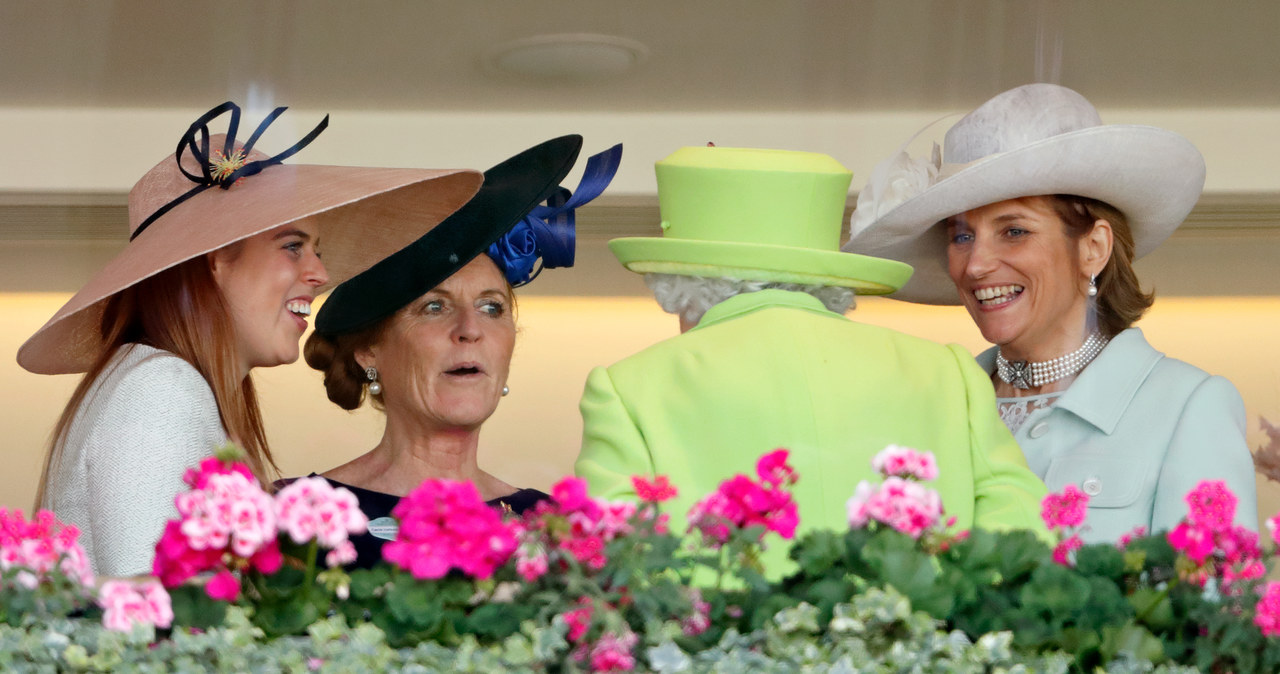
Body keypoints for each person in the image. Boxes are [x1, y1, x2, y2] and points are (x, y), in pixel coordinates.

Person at [19, 102, 483, 576]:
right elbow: (156, 628)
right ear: (216, 258)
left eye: (316, 251)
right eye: (292, 246)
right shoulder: (160, 389)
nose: (320, 274)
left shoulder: (154, 381)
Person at [574, 145, 1049, 574]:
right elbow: (1023, 546)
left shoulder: (627, 388)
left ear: (677, 284)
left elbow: (611, 569)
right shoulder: (949, 374)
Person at [844, 83, 1258, 542]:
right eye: (962, 236)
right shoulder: (935, 406)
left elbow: (1216, 606)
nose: (976, 264)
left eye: (1014, 230)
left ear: (1093, 248)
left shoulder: (1187, 406)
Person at [302, 135, 621, 568]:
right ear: (368, 351)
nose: (470, 330)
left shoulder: (553, 530)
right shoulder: (295, 521)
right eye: (434, 307)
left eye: (492, 308)